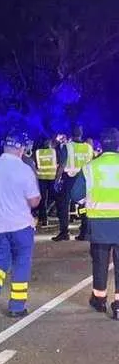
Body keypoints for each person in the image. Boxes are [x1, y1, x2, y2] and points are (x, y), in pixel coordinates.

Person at [0, 131, 41, 319]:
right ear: (20, 147)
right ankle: (16, 306)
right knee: (21, 263)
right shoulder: (24, 169)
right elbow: (34, 201)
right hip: (20, 226)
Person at [70, 128, 119, 318]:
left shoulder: (90, 167)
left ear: (102, 145)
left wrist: (89, 201)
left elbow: (76, 195)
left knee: (100, 262)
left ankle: (99, 300)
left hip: (98, 223)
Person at [53, 125, 94, 241]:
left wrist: (57, 180)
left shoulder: (68, 147)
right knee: (83, 205)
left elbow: (62, 165)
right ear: (82, 133)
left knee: (64, 205)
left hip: (70, 179)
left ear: (71, 133)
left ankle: (64, 232)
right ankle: (84, 232)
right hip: (85, 179)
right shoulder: (88, 148)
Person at [34, 137, 58, 227]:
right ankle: (45, 215)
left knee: (43, 199)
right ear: (49, 143)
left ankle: (43, 219)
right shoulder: (54, 152)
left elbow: (35, 164)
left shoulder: (38, 152)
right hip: (52, 178)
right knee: (53, 197)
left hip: (41, 178)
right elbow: (58, 163)